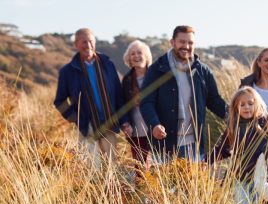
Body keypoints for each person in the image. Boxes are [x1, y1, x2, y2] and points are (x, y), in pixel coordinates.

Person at [140, 25, 227, 162]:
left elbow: (214, 100)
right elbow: (146, 102)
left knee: (193, 184)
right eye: (182, 42)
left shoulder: (203, 71)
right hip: (165, 144)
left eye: (190, 43)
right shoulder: (156, 69)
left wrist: (233, 116)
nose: (186, 46)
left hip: (194, 145)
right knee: (166, 184)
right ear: (172, 42)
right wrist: (154, 124)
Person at [54, 28, 131, 167]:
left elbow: (118, 95)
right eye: (84, 42)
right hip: (86, 127)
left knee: (111, 168)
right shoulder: (68, 71)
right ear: (76, 44)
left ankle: (111, 189)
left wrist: (124, 120)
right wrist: (75, 117)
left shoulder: (108, 64)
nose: (88, 45)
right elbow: (59, 101)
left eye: (91, 41)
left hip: (109, 123)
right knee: (92, 169)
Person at [209, 86, 267, 204]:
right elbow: (221, 149)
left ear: (257, 104)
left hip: (261, 178)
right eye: (242, 105)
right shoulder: (233, 127)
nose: (247, 107)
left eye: (250, 103)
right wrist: (206, 160)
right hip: (239, 178)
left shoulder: (265, 124)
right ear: (236, 108)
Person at [121, 40, 152, 175]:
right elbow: (122, 105)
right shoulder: (127, 80)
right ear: (129, 59)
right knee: (139, 167)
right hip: (136, 130)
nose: (136, 56)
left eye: (139, 52)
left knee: (160, 165)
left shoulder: (155, 76)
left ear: (146, 55)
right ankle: (141, 194)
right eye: (132, 54)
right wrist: (125, 123)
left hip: (156, 128)